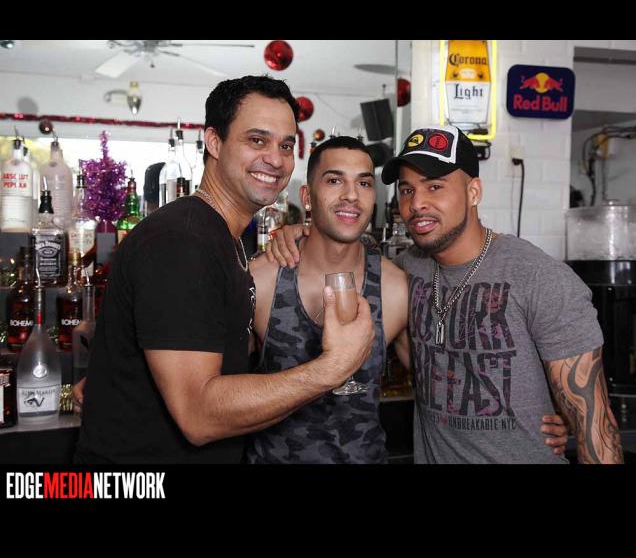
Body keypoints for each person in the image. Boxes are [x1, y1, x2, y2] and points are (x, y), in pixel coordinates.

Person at [73, 75, 375, 464]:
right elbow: (199, 415)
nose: (276, 159)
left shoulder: (220, 238)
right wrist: (333, 367)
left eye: (286, 145)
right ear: (214, 142)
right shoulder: (182, 241)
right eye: (257, 140)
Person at [265, 131, 573, 464]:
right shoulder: (404, 271)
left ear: (474, 192)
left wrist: (561, 407)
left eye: (435, 186)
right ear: (308, 196)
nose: (417, 203)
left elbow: (453, 370)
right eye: (407, 190)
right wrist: (296, 231)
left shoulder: (401, 281)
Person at [245, 136, 410, 463]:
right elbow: (218, 397)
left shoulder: (395, 288)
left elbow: (438, 388)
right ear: (307, 197)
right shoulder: (261, 280)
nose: (351, 195)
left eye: (364, 183)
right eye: (335, 181)